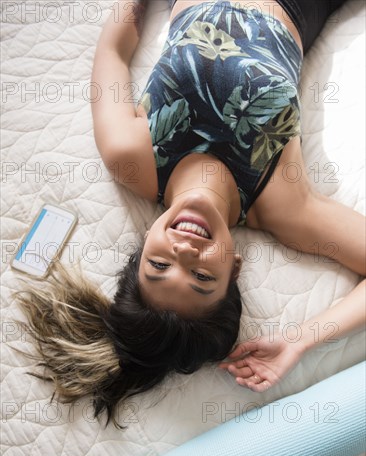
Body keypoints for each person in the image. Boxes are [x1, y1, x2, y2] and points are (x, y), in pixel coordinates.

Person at [17, 0, 365, 427]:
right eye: (202, 278)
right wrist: (300, 341)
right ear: (234, 269)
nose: (185, 252)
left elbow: (113, 52)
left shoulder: (131, 158)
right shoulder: (279, 202)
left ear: (144, 245)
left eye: (160, 264)